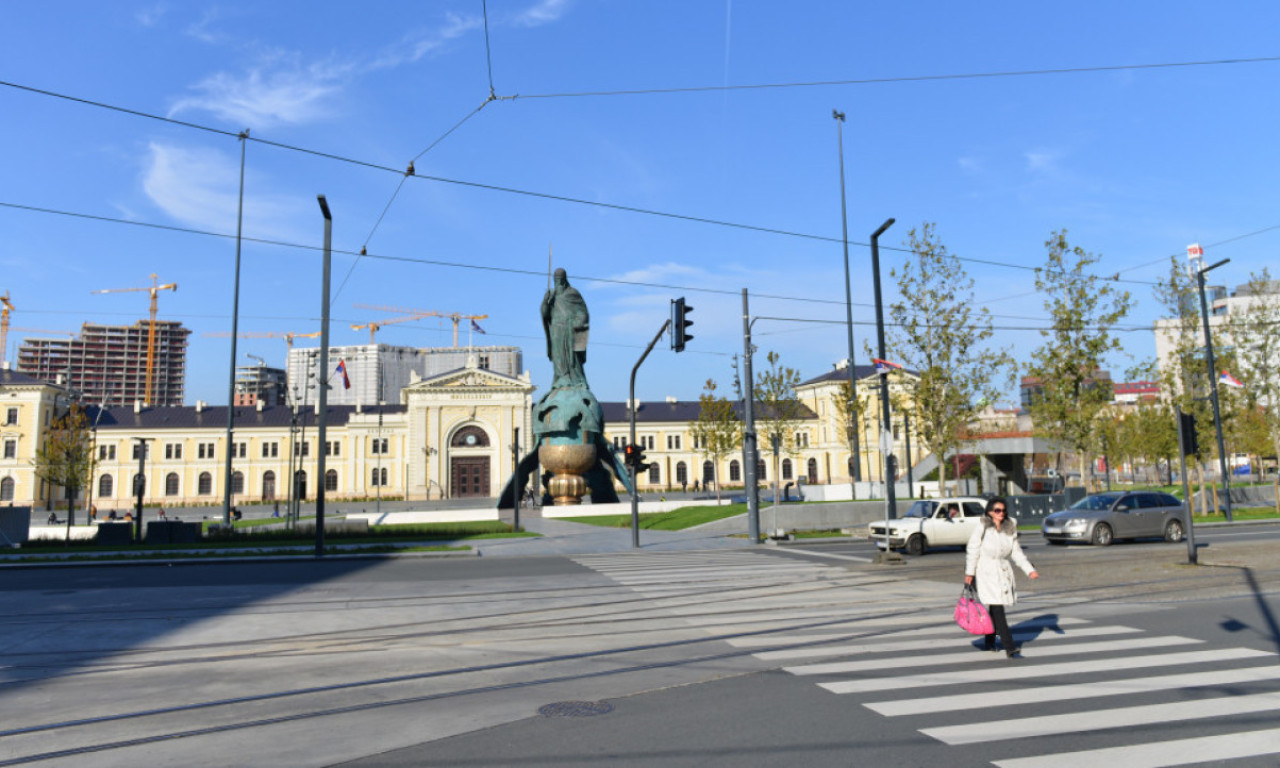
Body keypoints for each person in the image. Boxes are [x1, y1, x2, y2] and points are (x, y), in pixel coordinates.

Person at [964, 497, 1039, 658]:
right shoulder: (982, 527)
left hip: (1003, 571)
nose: (1001, 513)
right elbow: (973, 550)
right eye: (997, 510)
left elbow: (1016, 552)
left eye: (1003, 510)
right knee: (998, 609)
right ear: (990, 512)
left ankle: (989, 642)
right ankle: (1010, 646)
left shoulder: (1009, 528)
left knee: (994, 608)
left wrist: (1029, 569)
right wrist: (969, 573)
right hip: (985, 571)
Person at [540, 268, 590, 389]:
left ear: (564, 280)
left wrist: (578, 322)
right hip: (556, 331)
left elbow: (583, 312)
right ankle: (560, 379)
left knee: (573, 358)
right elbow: (545, 314)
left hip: (570, 330)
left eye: (560, 281)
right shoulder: (551, 296)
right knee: (558, 356)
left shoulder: (573, 293)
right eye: (556, 281)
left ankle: (575, 379)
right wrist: (545, 302)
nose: (558, 284)